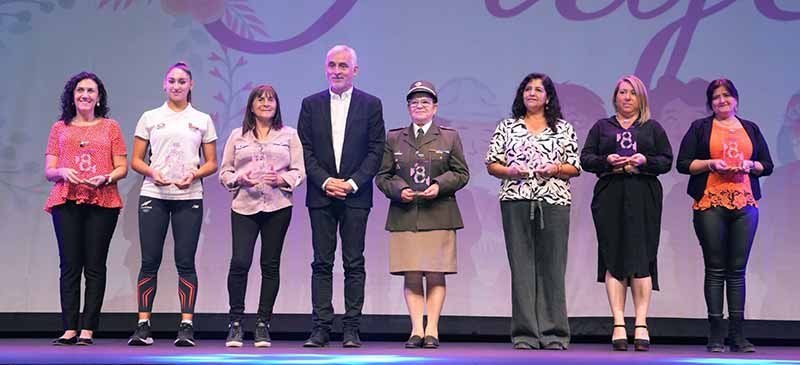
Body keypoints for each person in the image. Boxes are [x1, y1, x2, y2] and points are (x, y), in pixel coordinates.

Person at [297, 44, 386, 348]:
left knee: (353, 262)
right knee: (321, 262)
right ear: (326, 68)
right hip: (321, 195)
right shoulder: (311, 104)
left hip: (355, 196)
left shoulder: (371, 104)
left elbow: (376, 150)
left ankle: (351, 328)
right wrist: (325, 182)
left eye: (343, 66)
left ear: (355, 70)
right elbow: (304, 150)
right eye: (332, 65)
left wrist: (351, 183)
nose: (337, 71)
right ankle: (321, 328)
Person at [676, 79, 773, 353]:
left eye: (727, 95)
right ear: (710, 103)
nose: (722, 100)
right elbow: (683, 164)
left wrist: (750, 164)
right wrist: (710, 163)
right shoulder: (700, 128)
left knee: (738, 271)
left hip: (745, 202)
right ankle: (716, 335)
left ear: (736, 100)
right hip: (711, 202)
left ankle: (738, 335)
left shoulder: (750, 128)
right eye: (716, 97)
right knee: (716, 269)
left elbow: (767, 165)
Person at [485, 73, 581, 350]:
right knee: (522, 268)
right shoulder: (507, 127)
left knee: (553, 268)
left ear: (548, 97)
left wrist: (556, 169)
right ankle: (525, 333)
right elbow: (492, 164)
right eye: (527, 88)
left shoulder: (563, 129)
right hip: (516, 200)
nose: (532, 93)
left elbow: (574, 167)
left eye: (539, 89)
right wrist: (510, 171)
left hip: (554, 202)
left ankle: (555, 333)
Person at [127, 62, 218, 347]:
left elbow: (212, 163)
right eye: (172, 81)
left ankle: (186, 326)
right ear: (164, 85)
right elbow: (136, 160)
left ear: (191, 85)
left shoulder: (202, 119)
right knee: (149, 262)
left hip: (188, 197)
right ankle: (143, 325)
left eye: (182, 81)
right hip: (154, 194)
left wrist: (195, 173)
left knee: (185, 263)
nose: (177, 86)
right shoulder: (150, 117)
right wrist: (153, 173)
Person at [579, 75, 672, 352]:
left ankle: (641, 323)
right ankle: (619, 323)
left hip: (644, 195)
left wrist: (645, 160)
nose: (627, 97)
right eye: (622, 92)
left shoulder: (652, 128)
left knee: (642, 256)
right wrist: (607, 160)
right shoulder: (602, 127)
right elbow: (585, 159)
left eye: (632, 93)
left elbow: (667, 161)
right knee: (614, 255)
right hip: (610, 194)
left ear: (640, 97)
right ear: (615, 97)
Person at [376, 81, 469, 349]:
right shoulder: (395, 137)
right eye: (414, 102)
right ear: (408, 107)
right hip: (405, 214)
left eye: (425, 102)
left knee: (436, 273)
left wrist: (439, 185)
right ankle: (416, 329)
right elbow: (382, 176)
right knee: (412, 274)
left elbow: (462, 173)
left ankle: (433, 330)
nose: (419, 106)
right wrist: (399, 189)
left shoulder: (449, 137)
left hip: (439, 213)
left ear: (435, 107)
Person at [218, 84, 306, 348]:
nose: (266, 104)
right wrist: (238, 179)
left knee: (270, 265)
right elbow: (224, 172)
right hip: (244, 206)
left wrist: (282, 178)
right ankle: (235, 323)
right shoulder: (238, 135)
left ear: (277, 105)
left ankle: (262, 324)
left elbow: (299, 171)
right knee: (240, 262)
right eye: (260, 99)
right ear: (251, 105)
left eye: (271, 100)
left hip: (277, 206)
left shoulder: (289, 134)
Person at [45, 71, 128, 346]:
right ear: (72, 95)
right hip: (66, 200)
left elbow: (122, 167)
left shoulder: (111, 127)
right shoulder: (60, 128)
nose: (85, 95)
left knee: (94, 266)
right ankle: (69, 328)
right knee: (69, 266)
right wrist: (62, 171)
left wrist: (107, 177)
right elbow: (49, 170)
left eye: (91, 90)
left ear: (99, 97)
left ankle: (88, 329)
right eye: (80, 90)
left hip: (102, 201)